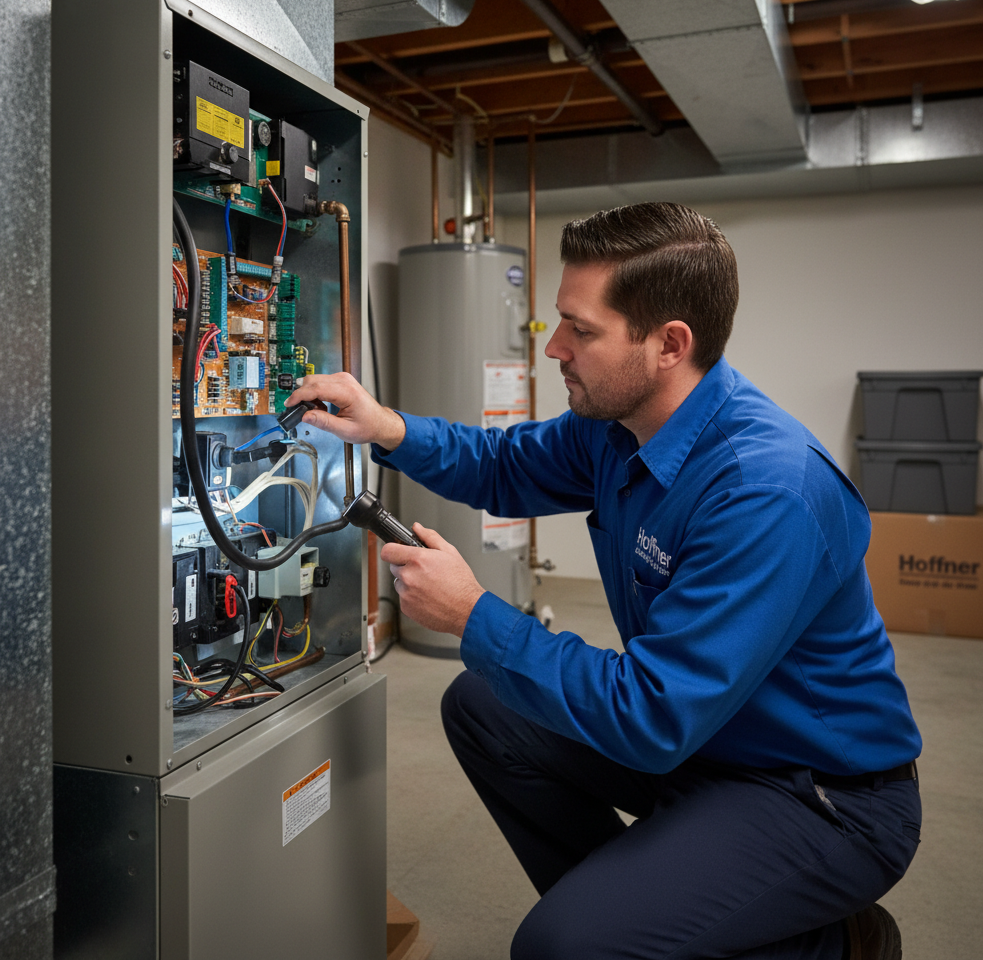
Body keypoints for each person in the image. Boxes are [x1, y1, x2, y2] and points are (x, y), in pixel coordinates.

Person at [286, 202, 921, 960]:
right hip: (707, 745)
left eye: (581, 331)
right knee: (486, 707)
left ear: (668, 344)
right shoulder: (618, 427)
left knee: (560, 946)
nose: (553, 347)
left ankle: (831, 943)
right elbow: (505, 466)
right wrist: (385, 425)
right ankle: (647, 914)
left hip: (817, 794)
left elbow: (652, 717)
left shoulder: (767, 491)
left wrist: (474, 615)